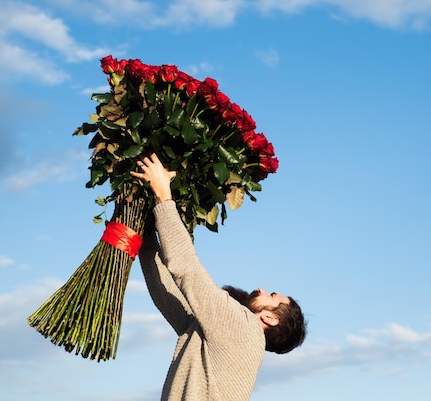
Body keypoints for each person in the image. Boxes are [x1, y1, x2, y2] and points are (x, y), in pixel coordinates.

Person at [131, 153, 307, 401]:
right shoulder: (224, 336)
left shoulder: (243, 328)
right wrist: (145, 235)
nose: (261, 289)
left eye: (273, 295)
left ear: (269, 317)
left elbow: (187, 270)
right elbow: (167, 295)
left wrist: (163, 194)